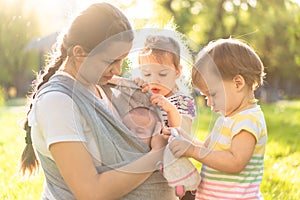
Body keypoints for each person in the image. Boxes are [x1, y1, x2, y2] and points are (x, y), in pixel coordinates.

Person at [20, 3, 177, 199]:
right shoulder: (57, 103)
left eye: (122, 60)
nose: (118, 70)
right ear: (78, 53)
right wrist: (157, 155)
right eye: (110, 61)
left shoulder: (108, 88)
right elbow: (90, 192)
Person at [168, 38, 268, 199]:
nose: (208, 102)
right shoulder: (226, 119)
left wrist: (193, 150)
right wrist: (182, 137)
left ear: (237, 83)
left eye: (212, 94)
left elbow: (235, 162)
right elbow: (208, 151)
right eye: (205, 95)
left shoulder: (248, 121)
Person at [137, 34, 196, 134]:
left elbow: (185, 133)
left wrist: (170, 110)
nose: (154, 80)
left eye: (162, 74)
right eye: (147, 74)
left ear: (177, 71)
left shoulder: (183, 101)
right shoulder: (143, 96)